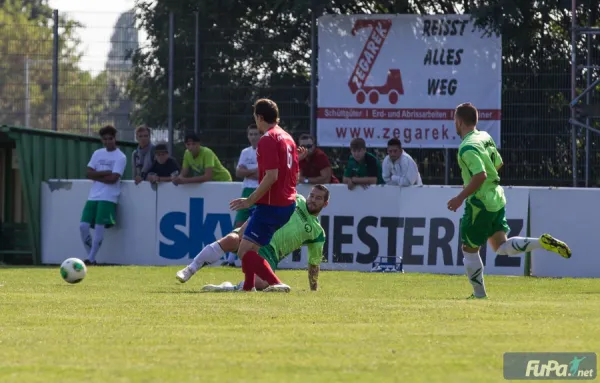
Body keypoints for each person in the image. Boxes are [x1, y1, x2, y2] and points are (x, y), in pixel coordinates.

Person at [447, 102, 571, 299]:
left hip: (480, 203)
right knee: (500, 246)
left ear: (459, 121)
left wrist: (460, 197)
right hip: (496, 198)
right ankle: (541, 242)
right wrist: (482, 184)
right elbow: (498, 164)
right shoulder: (485, 137)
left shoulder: (466, 147)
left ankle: (479, 295)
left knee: (469, 249)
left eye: (454, 120)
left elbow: (479, 175)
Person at [176, 185, 330, 292]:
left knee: (262, 283)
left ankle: (233, 287)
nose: (313, 200)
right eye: (312, 195)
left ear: (325, 203)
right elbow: (273, 196)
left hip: (271, 252)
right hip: (259, 229)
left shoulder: (317, 233)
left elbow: (314, 264)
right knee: (231, 239)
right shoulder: (297, 199)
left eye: (318, 198)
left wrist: (313, 290)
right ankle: (190, 269)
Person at [229, 98, 305, 292]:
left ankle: (275, 283)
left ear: (260, 117)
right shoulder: (287, 137)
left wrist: (250, 200)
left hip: (272, 204)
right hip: (287, 203)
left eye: (255, 116)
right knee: (251, 248)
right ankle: (247, 287)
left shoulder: (268, 139)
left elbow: (272, 176)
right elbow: (294, 174)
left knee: (243, 251)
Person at [80, 125, 127, 265]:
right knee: (83, 226)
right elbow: (88, 173)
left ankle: (91, 258)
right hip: (93, 195)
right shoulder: (97, 153)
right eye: (105, 139)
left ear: (115, 138)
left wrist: (96, 175)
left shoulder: (120, 156)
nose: (108, 142)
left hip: (108, 196)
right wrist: (106, 172)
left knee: (100, 225)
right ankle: (90, 255)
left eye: (110, 138)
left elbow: (114, 179)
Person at [222, 123, 261, 267]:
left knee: (256, 225)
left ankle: (258, 259)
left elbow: (263, 174)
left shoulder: (265, 151)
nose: (253, 137)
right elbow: (239, 172)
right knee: (239, 224)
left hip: (260, 191)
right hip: (247, 190)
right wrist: (255, 171)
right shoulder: (245, 152)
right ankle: (231, 260)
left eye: (256, 134)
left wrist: (248, 171)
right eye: (250, 134)